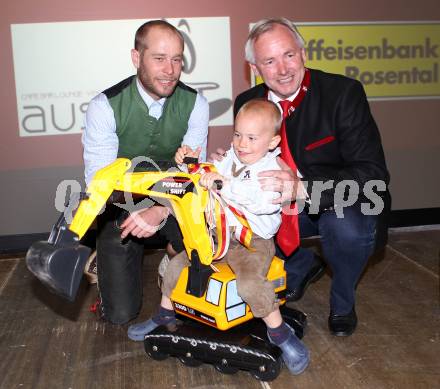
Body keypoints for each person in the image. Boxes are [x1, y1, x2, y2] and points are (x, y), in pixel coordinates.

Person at [226, 18, 390, 337]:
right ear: (254, 67)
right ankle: (302, 263)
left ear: (303, 53)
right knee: (236, 216)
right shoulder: (248, 103)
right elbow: (247, 159)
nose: (283, 69)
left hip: (338, 200)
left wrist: (301, 188)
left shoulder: (343, 93)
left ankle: (342, 299)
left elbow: (372, 174)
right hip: (278, 206)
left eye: (289, 55)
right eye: (269, 61)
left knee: (346, 231)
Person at [127, 99, 310, 375]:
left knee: (249, 284)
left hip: (252, 243)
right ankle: (165, 312)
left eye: (251, 138)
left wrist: (224, 183)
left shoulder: (273, 172)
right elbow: (206, 177)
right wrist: (190, 162)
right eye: (237, 135)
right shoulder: (230, 160)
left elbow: (260, 202)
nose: (242, 143)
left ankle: (279, 332)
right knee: (179, 265)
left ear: (272, 142)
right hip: (219, 235)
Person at [82, 20, 209, 325]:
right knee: (121, 314)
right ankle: (104, 262)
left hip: (172, 198)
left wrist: (159, 209)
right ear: (137, 58)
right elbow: (101, 183)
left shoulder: (196, 104)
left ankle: (171, 255)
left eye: (177, 59)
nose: (170, 69)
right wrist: (140, 208)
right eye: (159, 58)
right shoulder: (104, 106)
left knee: (209, 257)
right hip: (119, 201)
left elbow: (192, 176)